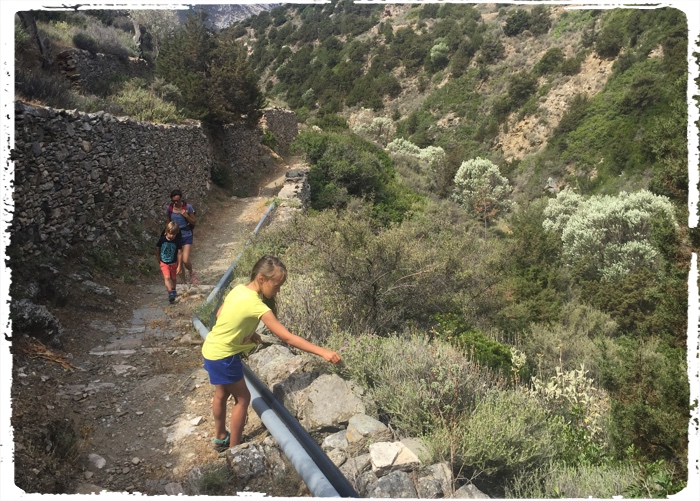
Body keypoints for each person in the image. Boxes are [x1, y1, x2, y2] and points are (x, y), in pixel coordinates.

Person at [201, 255, 341, 451]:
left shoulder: (238, 289)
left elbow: (220, 314)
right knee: (243, 399)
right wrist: (322, 351)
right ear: (261, 279)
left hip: (211, 349)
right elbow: (288, 338)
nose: (279, 290)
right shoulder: (257, 305)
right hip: (224, 356)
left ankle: (220, 437)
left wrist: (249, 333)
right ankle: (234, 449)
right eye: (276, 286)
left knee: (221, 394)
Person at [167, 189, 198, 285]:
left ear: (181, 199)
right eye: (173, 201)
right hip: (175, 236)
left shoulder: (188, 207)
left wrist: (186, 215)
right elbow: (168, 222)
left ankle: (191, 272)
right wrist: (167, 234)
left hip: (187, 234)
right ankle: (184, 282)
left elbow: (194, 221)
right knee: (178, 261)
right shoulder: (170, 209)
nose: (176, 202)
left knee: (185, 259)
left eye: (177, 200)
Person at [155, 221, 183, 304]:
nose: (171, 236)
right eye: (170, 234)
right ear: (166, 232)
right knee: (167, 278)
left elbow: (179, 253)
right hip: (164, 263)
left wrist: (179, 265)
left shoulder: (177, 241)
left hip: (173, 263)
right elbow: (158, 248)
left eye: (174, 234)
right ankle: (170, 292)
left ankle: (174, 289)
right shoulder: (162, 239)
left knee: (173, 278)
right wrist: (158, 257)